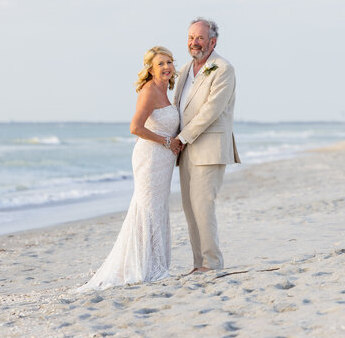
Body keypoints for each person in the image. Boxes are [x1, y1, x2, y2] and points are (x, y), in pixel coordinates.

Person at [77, 46, 182, 291]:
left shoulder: (167, 90)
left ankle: (155, 263)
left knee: (157, 207)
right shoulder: (149, 90)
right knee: (147, 208)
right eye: (160, 64)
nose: (166, 67)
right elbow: (135, 127)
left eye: (169, 62)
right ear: (150, 68)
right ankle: (143, 266)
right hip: (151, 157)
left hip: (163, 159)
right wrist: (167, 142)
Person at [171, 18, 240, 274]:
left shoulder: (223, 69)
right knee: (190, 209)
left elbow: (211, 111)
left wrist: (182, 137)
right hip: (186, 149)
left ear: (213, 41)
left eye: (199, 38)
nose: (194, 43)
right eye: (190, 37)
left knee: (203, 207)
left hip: (208, 148)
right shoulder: (185, 70)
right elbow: (178, 108)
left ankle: (212, 264)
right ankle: (198, 263)